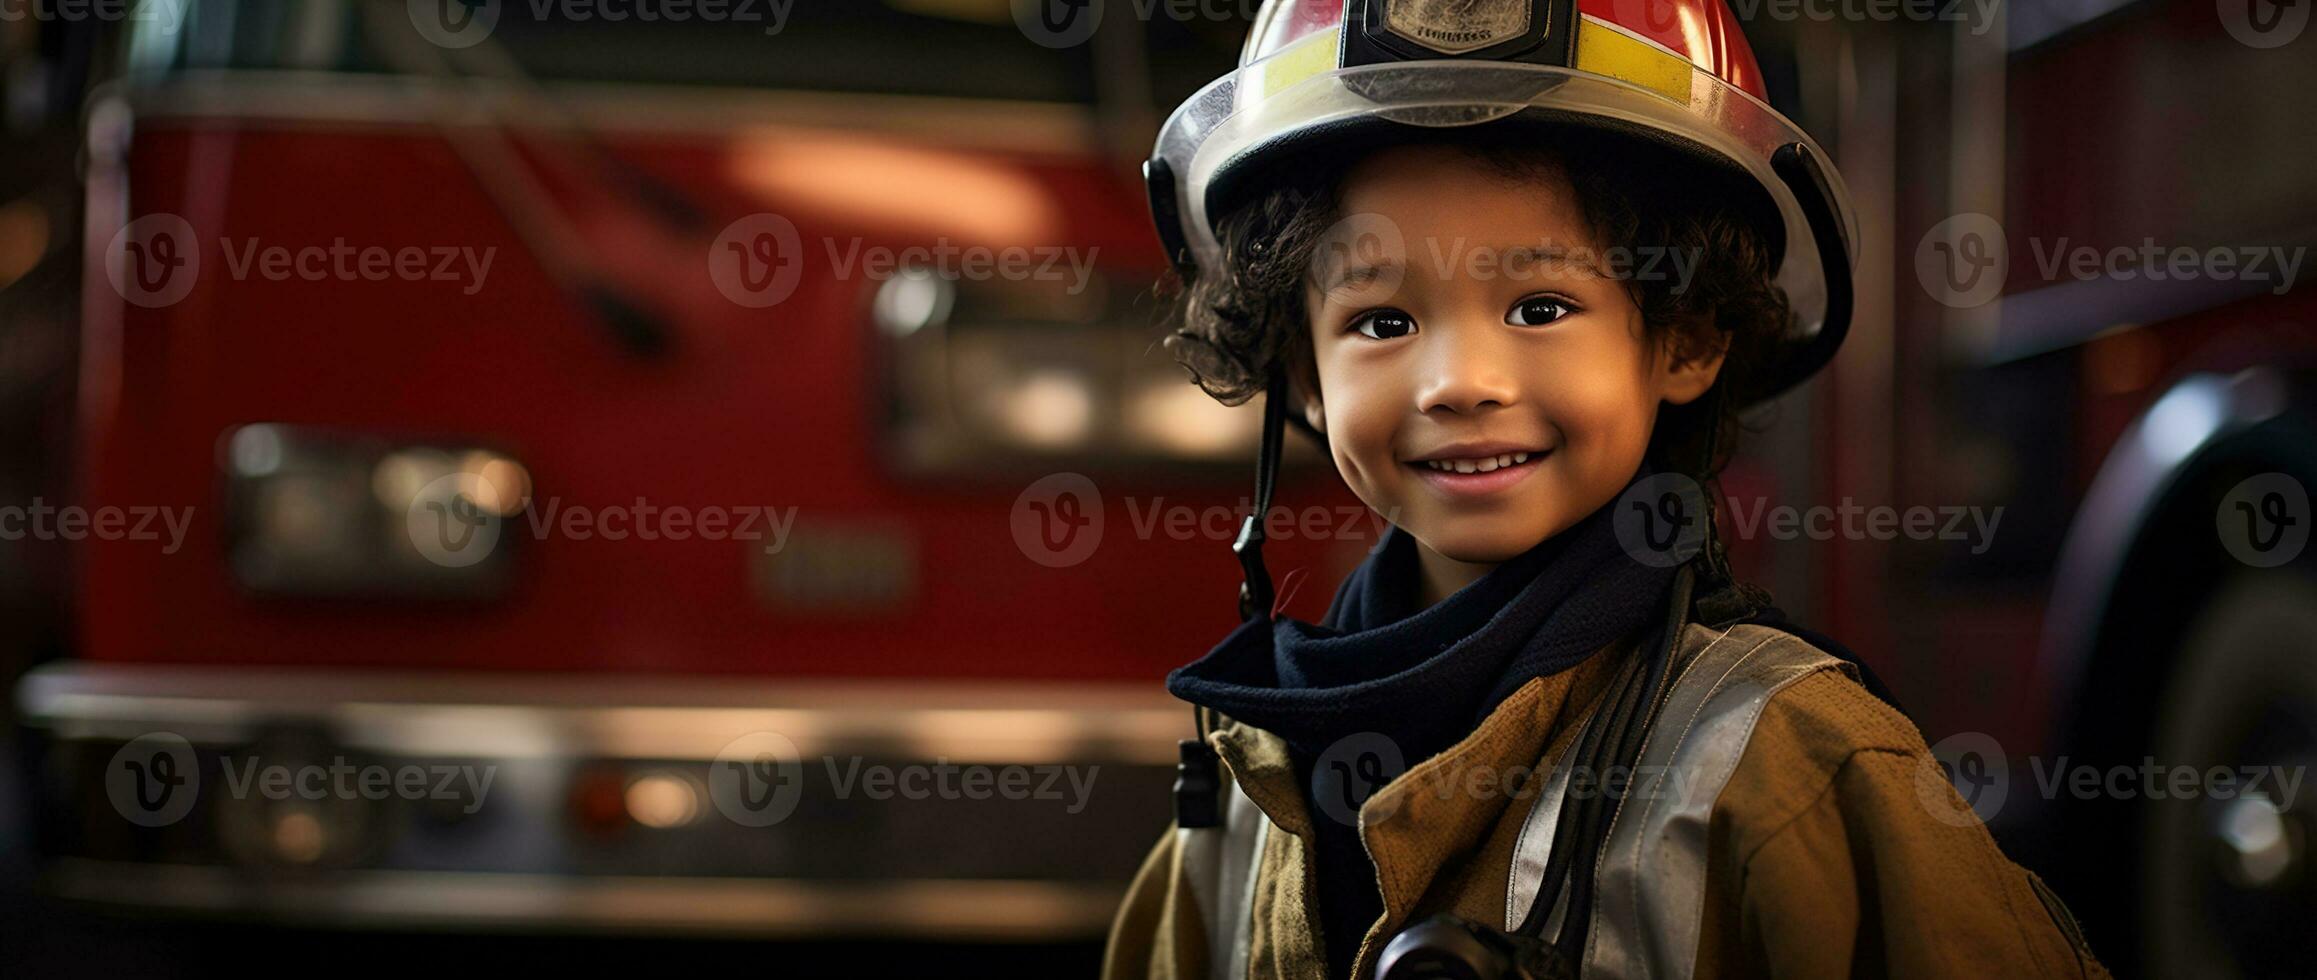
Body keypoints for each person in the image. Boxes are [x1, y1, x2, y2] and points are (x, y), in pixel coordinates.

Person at [1103, 1, 2112, 977]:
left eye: (1540, 305)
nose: (1459, 381)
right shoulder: (1242, 797)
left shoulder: (1796, 766)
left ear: (1686, 335)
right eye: (1381, 322)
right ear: (1301, 374)